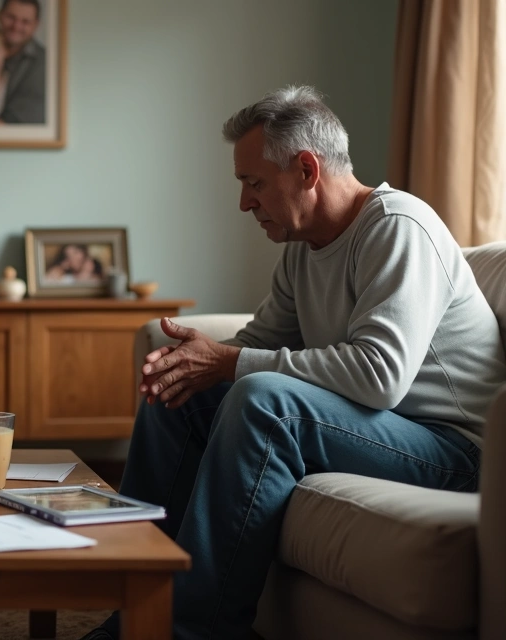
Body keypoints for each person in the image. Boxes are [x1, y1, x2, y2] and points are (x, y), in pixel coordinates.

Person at [79, 85, 506, 640]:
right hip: (384, 433)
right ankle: (134, 615)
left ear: (307, 168)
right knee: (182, 394)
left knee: (263, 402)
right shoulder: (302, 250)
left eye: (253, 183)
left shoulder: (399, 228)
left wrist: (230, 362)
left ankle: (191, 632)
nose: (244, 203)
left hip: (455, 453)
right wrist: (195, 362)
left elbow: (379, 377)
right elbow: (256, 344)